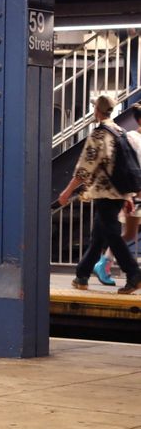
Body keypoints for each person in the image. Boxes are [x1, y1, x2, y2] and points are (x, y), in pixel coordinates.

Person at [58, 95, 141, 294]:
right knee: (98, 236)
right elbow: (126, 166)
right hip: (119, 192)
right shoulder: (120, 131)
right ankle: (82, 275)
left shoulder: (99, 134)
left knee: (112, 234)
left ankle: (133, 273)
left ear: (97, 111)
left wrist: (67, 191)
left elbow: (84, 169)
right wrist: (127, 196)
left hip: (105, 193)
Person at [93, 102, 141, 285]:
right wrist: (127, 195)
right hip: (135, 195)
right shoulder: (131, 138)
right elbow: (126, 167)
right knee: (127, 234)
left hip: (134, 196)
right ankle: (105, 263)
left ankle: (104, 262)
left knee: (127, 234)